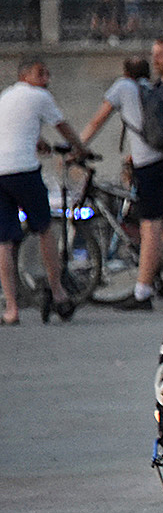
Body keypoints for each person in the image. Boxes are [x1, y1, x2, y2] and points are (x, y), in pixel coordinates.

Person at [78, 45, 163, 311]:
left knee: (151, 225)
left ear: (125, 72)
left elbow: (96, 121)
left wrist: (76, 149)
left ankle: (142, 292)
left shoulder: (122, 87)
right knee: (160, 214)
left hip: (151, 165)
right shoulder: (151, 88)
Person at [1, 57, 87, 324]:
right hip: (24, 170)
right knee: (44, 228)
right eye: (41, 73)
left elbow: (12, 129)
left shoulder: (5, 96)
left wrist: (37, 141)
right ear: (25, 75)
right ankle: (59, 293)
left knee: (4, 240)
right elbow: (64, 128)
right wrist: (81, 149)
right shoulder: (40, 96)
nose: (46, 79)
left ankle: (11, 308)